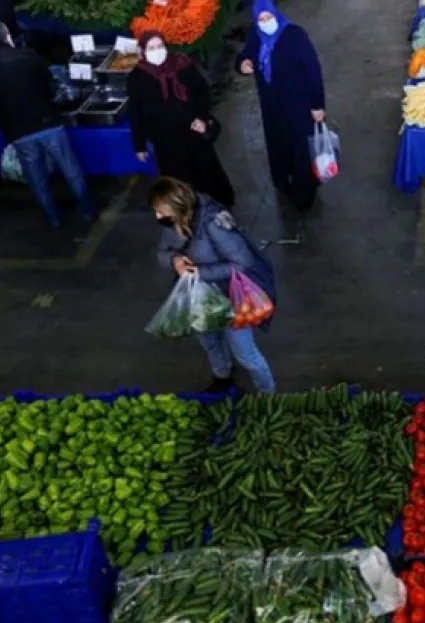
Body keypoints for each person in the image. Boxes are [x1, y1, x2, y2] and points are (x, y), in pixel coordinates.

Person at [152, 177, 278, 393]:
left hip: (230, 298)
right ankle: (222, 376)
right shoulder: (173, 224)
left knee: (245, 353)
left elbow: (243, 262)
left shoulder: (213, 223)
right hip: (200, 297)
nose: (158, 216)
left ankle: (268, 392)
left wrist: (201, 272)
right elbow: (162, 251)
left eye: (162, 211)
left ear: (178, 206)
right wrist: (174, 260)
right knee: (210, 342)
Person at [0, 20, 93, 227]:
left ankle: (53, 218)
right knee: (70, 168)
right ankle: (88, 211)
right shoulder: (30, 57)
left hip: (19, 132)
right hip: (49, 122)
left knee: (37, 179)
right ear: (8, 35)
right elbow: (50, 87)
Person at [236, 0, 326, 211]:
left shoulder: (295, 36)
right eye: (261, 19)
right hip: (271, 107)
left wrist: (317, 106)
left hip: (298, 106)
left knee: (301, 148)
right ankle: (283, 183)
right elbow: (246, 54)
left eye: (269, 17)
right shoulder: (255, 36)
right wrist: (242, 64)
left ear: (276, 15)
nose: (265, 22)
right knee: (278, 145)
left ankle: (304, 194)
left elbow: (313, 71)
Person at [129, 32, 235, 208]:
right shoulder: (137, 77)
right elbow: (136, 112)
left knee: (206, 169)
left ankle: (218, 204)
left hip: (192, 129)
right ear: (142, 51)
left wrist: (202, 118)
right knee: (177, 177)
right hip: (165, 139)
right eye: (151, 48)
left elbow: (203, 93)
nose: (157, 51)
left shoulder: (182, 66)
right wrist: (139, 145)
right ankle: (184, 209)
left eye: (160, 46)